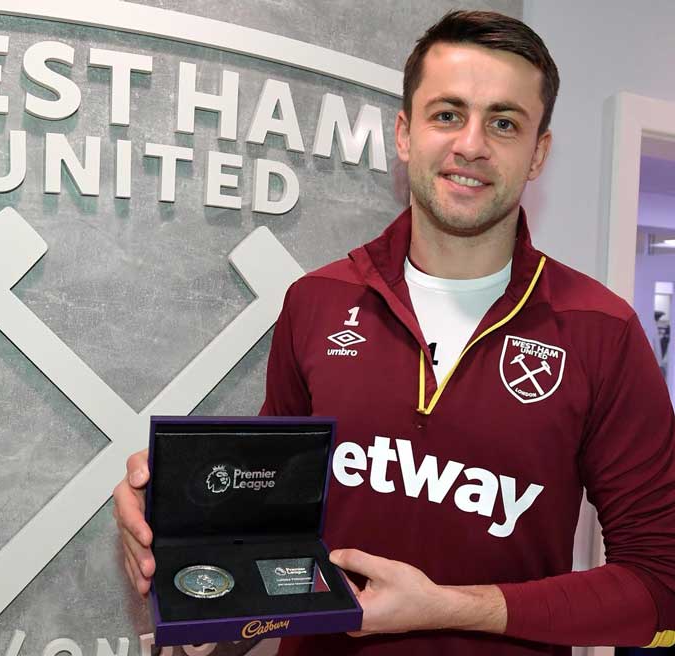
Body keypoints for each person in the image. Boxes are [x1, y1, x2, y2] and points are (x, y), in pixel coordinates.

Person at [113, 10, 675, 655]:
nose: (471, 144)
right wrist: (175, 515)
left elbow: (659, 584)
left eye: (504, 122)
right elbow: (271, 519)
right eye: (446, 113)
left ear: (538, 152)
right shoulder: (317, 301)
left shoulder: (601, 330)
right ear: (405, 134)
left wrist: (454, 608)